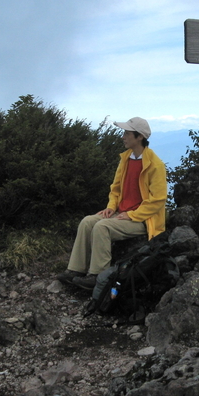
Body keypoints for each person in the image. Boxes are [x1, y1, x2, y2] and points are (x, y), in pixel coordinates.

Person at [58, 117, 167, 289]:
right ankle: (75, 270)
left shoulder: (155, 165)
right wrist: (111, 207)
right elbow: (115, 189)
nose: (123, 137)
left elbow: (158, 200)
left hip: (143, 220)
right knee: (87, 222)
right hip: (121, 213)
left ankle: (97, 276)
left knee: (102, 227)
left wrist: (132, 215)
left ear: (139, 137)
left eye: (127, 133)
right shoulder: (125, 159)